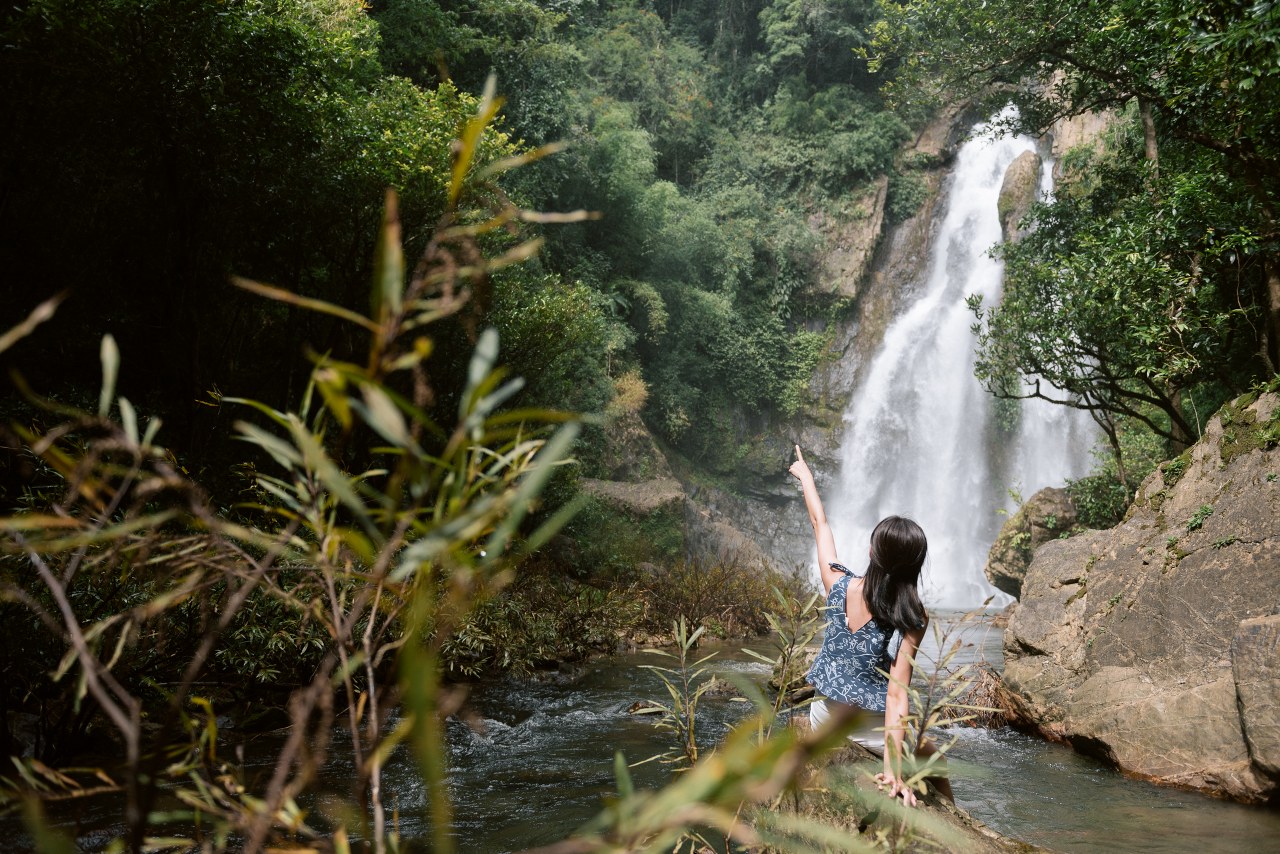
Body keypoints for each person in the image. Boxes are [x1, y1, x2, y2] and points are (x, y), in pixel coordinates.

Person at [788, 445, 953, 807]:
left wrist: (807, 478)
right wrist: (894, 770)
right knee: (935, 759)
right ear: (915, 567)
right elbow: (897, 695)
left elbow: (821, 525)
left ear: (871, 552)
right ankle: (952, 816)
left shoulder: (838, 586)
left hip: (823, 716)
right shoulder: (911, 616)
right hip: (868, 729)